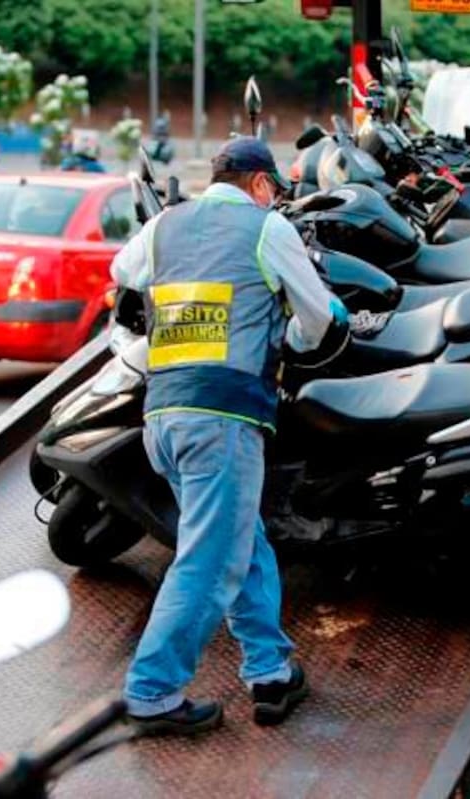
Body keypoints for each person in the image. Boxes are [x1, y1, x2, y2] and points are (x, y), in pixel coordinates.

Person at [109, 137, 347, 736]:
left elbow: (122, 271)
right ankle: (151, 692)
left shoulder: (165, 224)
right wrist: (292, 340)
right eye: (274, 190)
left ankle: (270, 672)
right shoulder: (268, 229)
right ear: (261, 184)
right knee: (212, 563)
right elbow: (318, 318)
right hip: (223, 418)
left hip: (164, 416)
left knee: (243, 542)